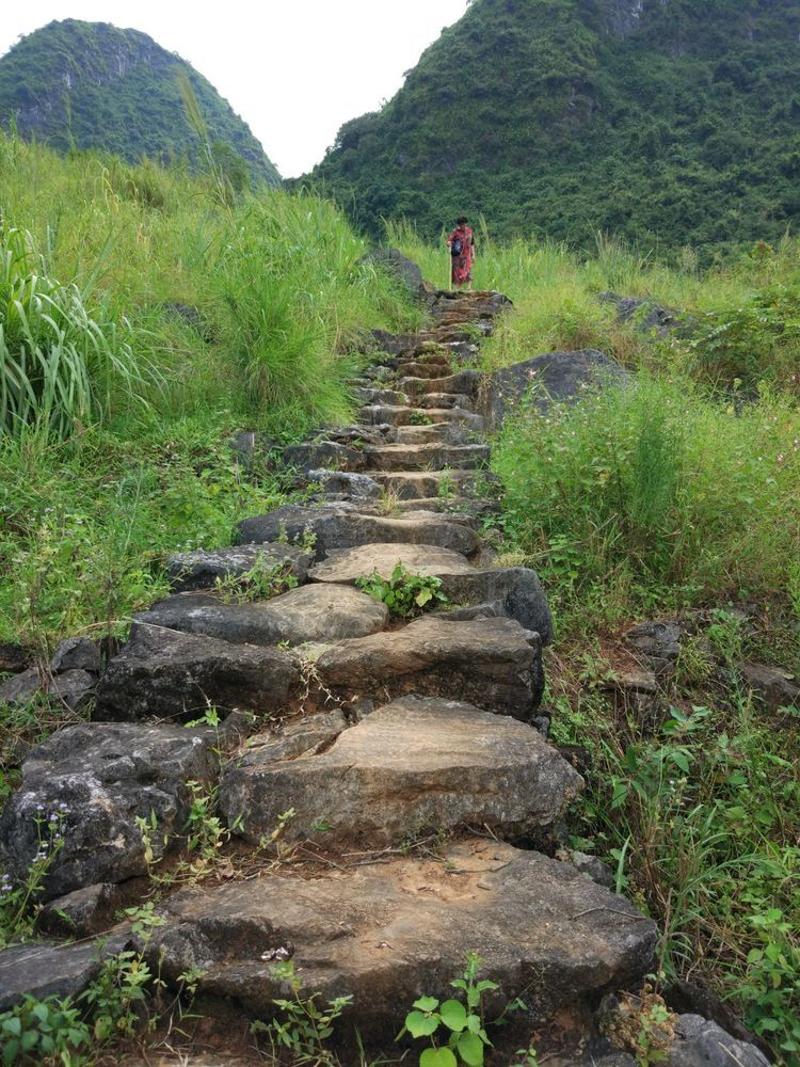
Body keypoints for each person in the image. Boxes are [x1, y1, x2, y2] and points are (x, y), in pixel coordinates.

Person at [447, 216, 475, 289]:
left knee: (468, 270)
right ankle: (457, 287)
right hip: (458, 255)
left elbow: (472, 243)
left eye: (464, 224)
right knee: (457, 272)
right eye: (461, 224)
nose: (463, 226)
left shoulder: (469, 231)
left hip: (467, 254)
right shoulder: (455, 232)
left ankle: (469, 287)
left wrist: (473, 255)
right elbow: (449, 240)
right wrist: (449, 243)